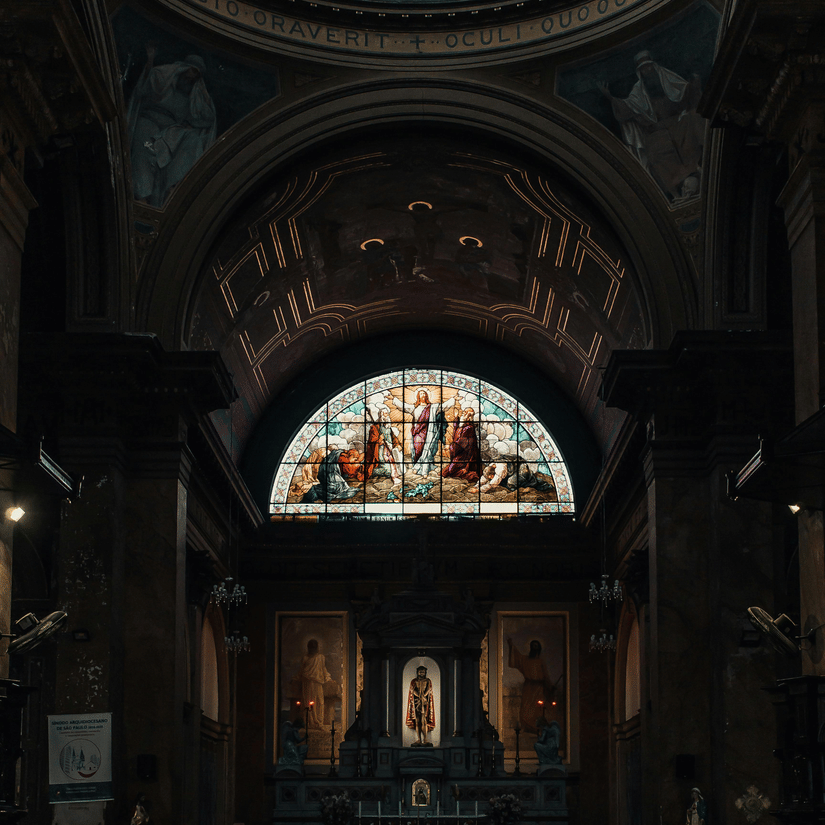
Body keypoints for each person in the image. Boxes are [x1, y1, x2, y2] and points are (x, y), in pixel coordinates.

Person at [598, 51, 704, 201]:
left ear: (654, 67)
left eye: (649, 67)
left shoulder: (668, 78)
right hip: (657, 132)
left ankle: (699, 171)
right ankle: (675, 192)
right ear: (639, 72)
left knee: (691, 122)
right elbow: (627, 108)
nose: (647, 71)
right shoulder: (638, 91)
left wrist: (696, 80)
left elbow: (687, 92)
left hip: (678, 124)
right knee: (655, 152)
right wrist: (609, 97)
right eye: (643, 69)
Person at [127, 46, 217, 207]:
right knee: (144, 153)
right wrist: (150, 60)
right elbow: (146, 86)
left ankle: (173, 189)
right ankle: (141, 197)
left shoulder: (193, 99)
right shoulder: (163, 81)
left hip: (170, 132)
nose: (190, 78)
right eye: (190, 72)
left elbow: (205, 118)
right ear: (181, 69)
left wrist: (189, 125)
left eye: (196, 76)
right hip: (149, 122)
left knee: (193, 141)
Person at [393, 389, 456, 475]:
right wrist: (394, 400)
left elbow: (444, 406)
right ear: (418, 396)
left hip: (429, 432)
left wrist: (453, 400)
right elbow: (403, 406)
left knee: (428, 449)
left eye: (424, 394)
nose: (422, 395)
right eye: (420, 394)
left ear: (427, 396)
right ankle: (418, 466)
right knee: (418, 450)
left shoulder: (433, 407)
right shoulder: (414, 408)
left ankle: (424, 469)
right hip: (417, 433)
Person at [507, 638, 555, 733]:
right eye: (533, 646)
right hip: (528, 687)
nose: (534, 648)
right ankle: (527, 726)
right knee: (526, 708)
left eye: (536, 646)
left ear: (539, 649)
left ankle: (536, 727)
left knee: (537, 708)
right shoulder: (525, 659)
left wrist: (550, 686)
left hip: (538, 688)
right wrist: (511, 646)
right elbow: (517, 658)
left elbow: (545, 675)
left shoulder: (541, 661)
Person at [476, 456, 557, 496]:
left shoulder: (500, 468)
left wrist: (478, 490)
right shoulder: (491, 467)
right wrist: (476, 486)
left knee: (512, 483)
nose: (490, 478)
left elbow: (492, 484)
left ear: (493, 471)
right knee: (505, 482)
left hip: (521, 469)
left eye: (491, 476)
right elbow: (484, 478)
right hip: (514, 470)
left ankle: (544, 486)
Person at [300, 639, 334, 729]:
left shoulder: (320, 657)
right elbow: (301, 671)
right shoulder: (305, 658)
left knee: (319, 702)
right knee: (309, 702)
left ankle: (319, 722)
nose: (313, 650)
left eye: (314, 648)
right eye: (311, 648)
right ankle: (310, 722)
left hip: (317, 683)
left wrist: (328, 678)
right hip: (307, 683)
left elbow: (323, 670)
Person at [362, 408, 402, 485]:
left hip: (389, 448)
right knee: (387, 468)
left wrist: (397, 445)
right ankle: (373, 471)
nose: (387, 415)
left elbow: (393, 437)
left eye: (387, 413)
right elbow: (371, 441)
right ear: (381, 415)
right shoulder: (375, 427)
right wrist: (379, 440)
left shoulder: (388, 427)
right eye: (385, 414)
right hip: (379, 450)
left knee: (397, 464)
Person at [442, 408, 482, 482]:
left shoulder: (469, 428)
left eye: (466, 412)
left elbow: (460, 443)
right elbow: (456, 434)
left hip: (465, 456)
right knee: (446, 472)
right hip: (460, 453)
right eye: (464, 411)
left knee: (451, 471)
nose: (463, 413)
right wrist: (456, 418)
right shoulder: (462, 425)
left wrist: (451, 446)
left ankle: (471, 474)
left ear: (469, 417)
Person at [406, 665, 435, 745]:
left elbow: (429, 689)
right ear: (417, 672)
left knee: (424, 721)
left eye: (423, 671)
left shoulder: (428, 681)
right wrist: (419, 696)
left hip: (425, 702)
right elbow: (412, 690)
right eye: (420, 671)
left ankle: (425, 740)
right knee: (417, 721)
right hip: (416, 702)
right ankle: (419, 739)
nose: (421, 673)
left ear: (425, 672)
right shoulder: (414, 681)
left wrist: (423, 696)